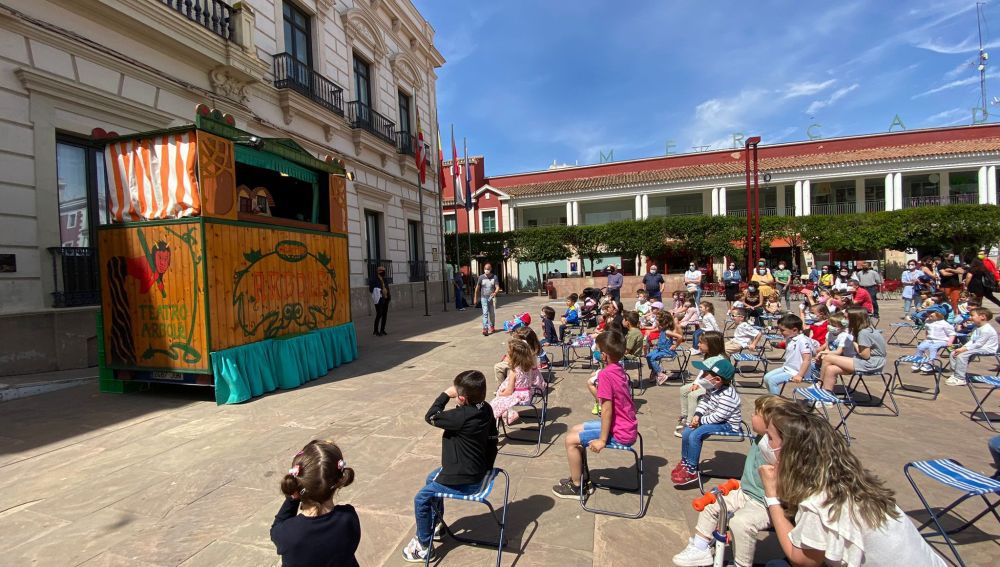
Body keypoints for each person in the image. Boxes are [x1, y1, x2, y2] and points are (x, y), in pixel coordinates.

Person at [757, 405, 947, 567]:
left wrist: (772, 495)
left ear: (790, 451)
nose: (767, 442)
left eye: (771, 438)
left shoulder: (819, 501)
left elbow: (801, 560)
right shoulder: (848, 480)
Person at [671, 395, 796, 567]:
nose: (752, 416)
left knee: (741, 523)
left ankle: (741, 563)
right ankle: (700, 548)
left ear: (771, 422)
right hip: (746, 492)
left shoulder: (777, 448)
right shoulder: (761, 438)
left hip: (766, 503)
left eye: (756, 413)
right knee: (711, 504)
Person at [403, 371, 498, 562]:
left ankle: (423, 547)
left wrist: (445, 394)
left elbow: (430, 416)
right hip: (478, 470)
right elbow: (492, 439)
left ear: (461, 398)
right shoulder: (486, 408)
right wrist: (486, 467)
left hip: (465, 479)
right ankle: (437, 524)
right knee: (431, 478)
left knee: (421, 498)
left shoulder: (460, 416)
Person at [551, 331, 638, 498]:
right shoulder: (618, 368)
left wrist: (602, 440)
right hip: (626, 424)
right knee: (575, 429)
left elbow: (606, 410)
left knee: (570, 441)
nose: (595, 352)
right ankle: (581, 477)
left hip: (620, 430)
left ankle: (577, 487)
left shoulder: (605, 374)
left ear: (604, 356)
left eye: (597, 349)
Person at [271, 440, 360, 567]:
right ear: (339, 482)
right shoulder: (348, 517)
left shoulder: (288, 533)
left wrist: (292, 499)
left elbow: (275, 529)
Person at [672, 358, 742, 487]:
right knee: (687, 431)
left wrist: (700, 421)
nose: (702, 377)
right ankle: (685, 461)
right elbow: (704, 402)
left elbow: (719, 416)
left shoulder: (728, 395)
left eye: (705, 374)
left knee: (695, 435)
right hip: (712, 420)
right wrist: (697, 415)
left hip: (727, 424)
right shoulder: (712, 388)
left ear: (717, 380)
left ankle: (692, 470)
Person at [818, 307, 886, 394]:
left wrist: (853, 341)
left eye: (846, 318)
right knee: (831, 369)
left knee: (828, 358)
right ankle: (826, 395)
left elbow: (865, 355)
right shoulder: (865, 329)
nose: (844, 320)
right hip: (870, 362)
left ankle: (819, 384)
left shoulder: (863, 333)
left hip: (871, 363)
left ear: (854, 319)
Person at [675, 331, 725, 437]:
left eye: (701, 343)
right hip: (704, 382)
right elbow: (703, 371)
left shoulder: (721, 360)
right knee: (684, 389)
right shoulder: (708, 355)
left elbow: (716, 381)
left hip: (714, 388)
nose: (698, 344)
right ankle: (685, 416)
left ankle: (690, 424)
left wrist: (699, 384)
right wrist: (696, 382)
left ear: (711, 345)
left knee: (693, 395)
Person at [490, 339, 542, 426]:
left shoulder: (514, 371)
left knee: (494, 402)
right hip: (528, 394)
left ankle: (510, 414)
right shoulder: (528, 367)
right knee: (499, 400)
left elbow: (509, 392)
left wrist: (500, 394)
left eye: (508, 352)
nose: (506, 354)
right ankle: (506, 413)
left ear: (514, 356)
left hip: (519, 397)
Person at [946, 306, 998, 386]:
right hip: (977, 347)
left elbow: (979, 344)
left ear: (982, 317)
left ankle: (960, 378)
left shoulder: (987, 329)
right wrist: (963, 348)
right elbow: (972, 341)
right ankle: (955, 374)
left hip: (987, 349)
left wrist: (965, 349)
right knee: (954, 353)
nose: (970, 318)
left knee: (962, 355)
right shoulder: (977, 327)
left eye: (972, 315)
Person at [763, 314, 814, 395]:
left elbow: (807, 360)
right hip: (788, 368)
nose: (781, 332)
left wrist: (800, 375)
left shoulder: (803, 341)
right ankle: (772, 397)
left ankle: (777, 403)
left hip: (796, 371)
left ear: (794, 330)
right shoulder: (790, 338)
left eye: (783, 330)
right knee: (767, 377)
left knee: (772, 381)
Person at [648, 311, 683, 385]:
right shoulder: (662, 329)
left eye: (657, 320)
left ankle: (660, 374)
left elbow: (680, 337)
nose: (655, 321)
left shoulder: (667, 332)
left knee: (652, 358)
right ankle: (655, 370)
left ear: (662, 323)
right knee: (648, 356)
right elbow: (657, 329)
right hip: (660, 350)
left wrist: (675, 345)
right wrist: (649, 331)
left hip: (667, 351)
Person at [473, 263, 502, 336]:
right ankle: (485, 328)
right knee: (485, 313)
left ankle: (492, 326)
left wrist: (495, 292)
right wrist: (475, 298)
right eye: (485, 269)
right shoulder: (481, 277)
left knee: (492, 313)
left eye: (488, 269)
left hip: (491, 298)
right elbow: (477, 288)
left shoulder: (494, 277)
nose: (486, 270)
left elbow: (497, 286)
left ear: (491, 269)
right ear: (483, 269)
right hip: (483, 298)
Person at [370, 265, 391, 336]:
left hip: (385, 299)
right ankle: (375, 330)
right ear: (378, 271)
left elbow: (387, 288)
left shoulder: (384, 279)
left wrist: (388, 296)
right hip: (379, 299)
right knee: (379, 314)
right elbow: (371, 289)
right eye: (382, 271)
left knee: (384, 315)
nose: (384, 272)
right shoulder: (374, 279)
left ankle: (382, 330)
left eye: (384, 271)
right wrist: (380, 290)